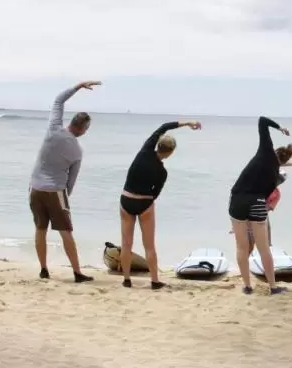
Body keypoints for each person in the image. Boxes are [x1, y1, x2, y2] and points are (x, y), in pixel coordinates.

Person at [28, 80, 100, 282]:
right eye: (86, 129)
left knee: (40, 229)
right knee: (65, 231)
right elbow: (71, 181)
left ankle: (43, 269)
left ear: (71, 122)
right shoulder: (77, 151)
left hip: (35, 188)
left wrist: (78, 87)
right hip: (56, 191)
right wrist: (64, 196)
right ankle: (77, 272)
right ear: (83, 128)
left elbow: (59, 100)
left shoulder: (53, 129)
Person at [119, 119, 202, 289]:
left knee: (126, 243)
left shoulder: (145, 151)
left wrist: (188, 123)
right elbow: (155, 194)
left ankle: (127, 280)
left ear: (158, 144)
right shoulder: (162, 172)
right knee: (149, 245)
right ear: (170, 152)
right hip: (144, 203)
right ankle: (155, 281)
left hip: (126, 199)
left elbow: (164, 127)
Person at [229, 115, 291, 296]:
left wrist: (280, 128)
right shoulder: (275, 176)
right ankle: (273, 287)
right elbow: (265, 196)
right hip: (257, 202)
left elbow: (262, 120)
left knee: (241, 246)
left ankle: (247, 286)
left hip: (238, 200)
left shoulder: (265, 151)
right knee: (263, 248)